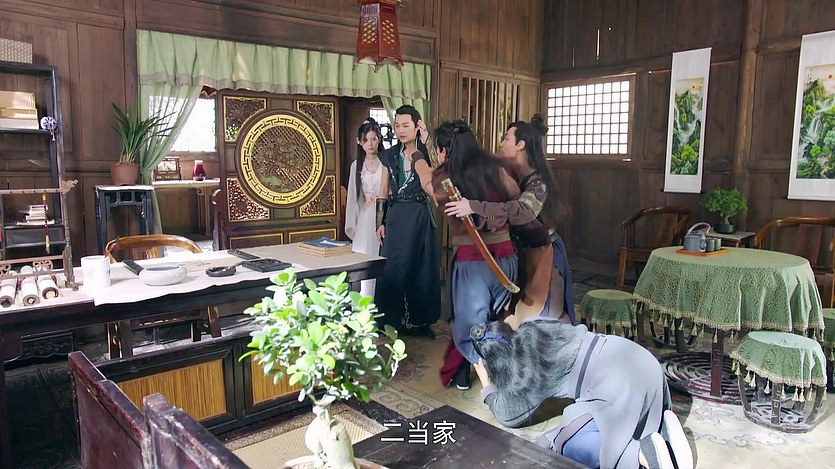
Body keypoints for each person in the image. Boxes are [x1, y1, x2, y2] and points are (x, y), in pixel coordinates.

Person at [472, 318, 693, 469]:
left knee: (566, 445)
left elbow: (508, 415)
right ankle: (662, 428)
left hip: (619, 384)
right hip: (640, 360)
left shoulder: (524, 370)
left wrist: (487, 386)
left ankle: (644, 454)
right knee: (561, 430)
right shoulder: (535, 325)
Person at [444, 115, 575, 324]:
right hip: (517, 252)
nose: (501, 143)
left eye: (506, 138)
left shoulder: (539, 182)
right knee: (511, 318)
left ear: (520, 145)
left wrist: (474, 206)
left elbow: (523, 211)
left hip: (543, 253)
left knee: (540, 320)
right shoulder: (506, 174)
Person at [430, 120, 520, 390]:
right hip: (506, 261)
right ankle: (465, 373)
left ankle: (493, 387)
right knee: (489, 319)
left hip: (475, 265)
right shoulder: (496, 168)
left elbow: (433, 194)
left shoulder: (444, 178)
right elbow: (516, 198)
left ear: (445, 150)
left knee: (470, 327)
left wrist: (419, 157)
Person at [373, 105, 440, 337]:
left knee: (419, 267)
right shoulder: (389, 155)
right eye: (397, 126)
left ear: (417, 126)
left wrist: (427, 142)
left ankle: (420, 322)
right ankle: (391, 320)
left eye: (405, 125)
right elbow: (383, 191)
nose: (400, 130)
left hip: (419, 216)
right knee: (392, 267)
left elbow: (439, 174)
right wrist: (380, 222)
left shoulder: (426, 153)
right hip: (395, 217)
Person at [345, 118, 385, 297]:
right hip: (365, 215)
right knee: (364, 257)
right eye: (366, 140)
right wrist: (352, 224)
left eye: (374, 139)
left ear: (379, 140)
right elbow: (353, 196)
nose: (370, 144)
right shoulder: (356, 165)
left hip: (383, 212)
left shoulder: (386, 162)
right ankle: (363, 300)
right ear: (360, 142)